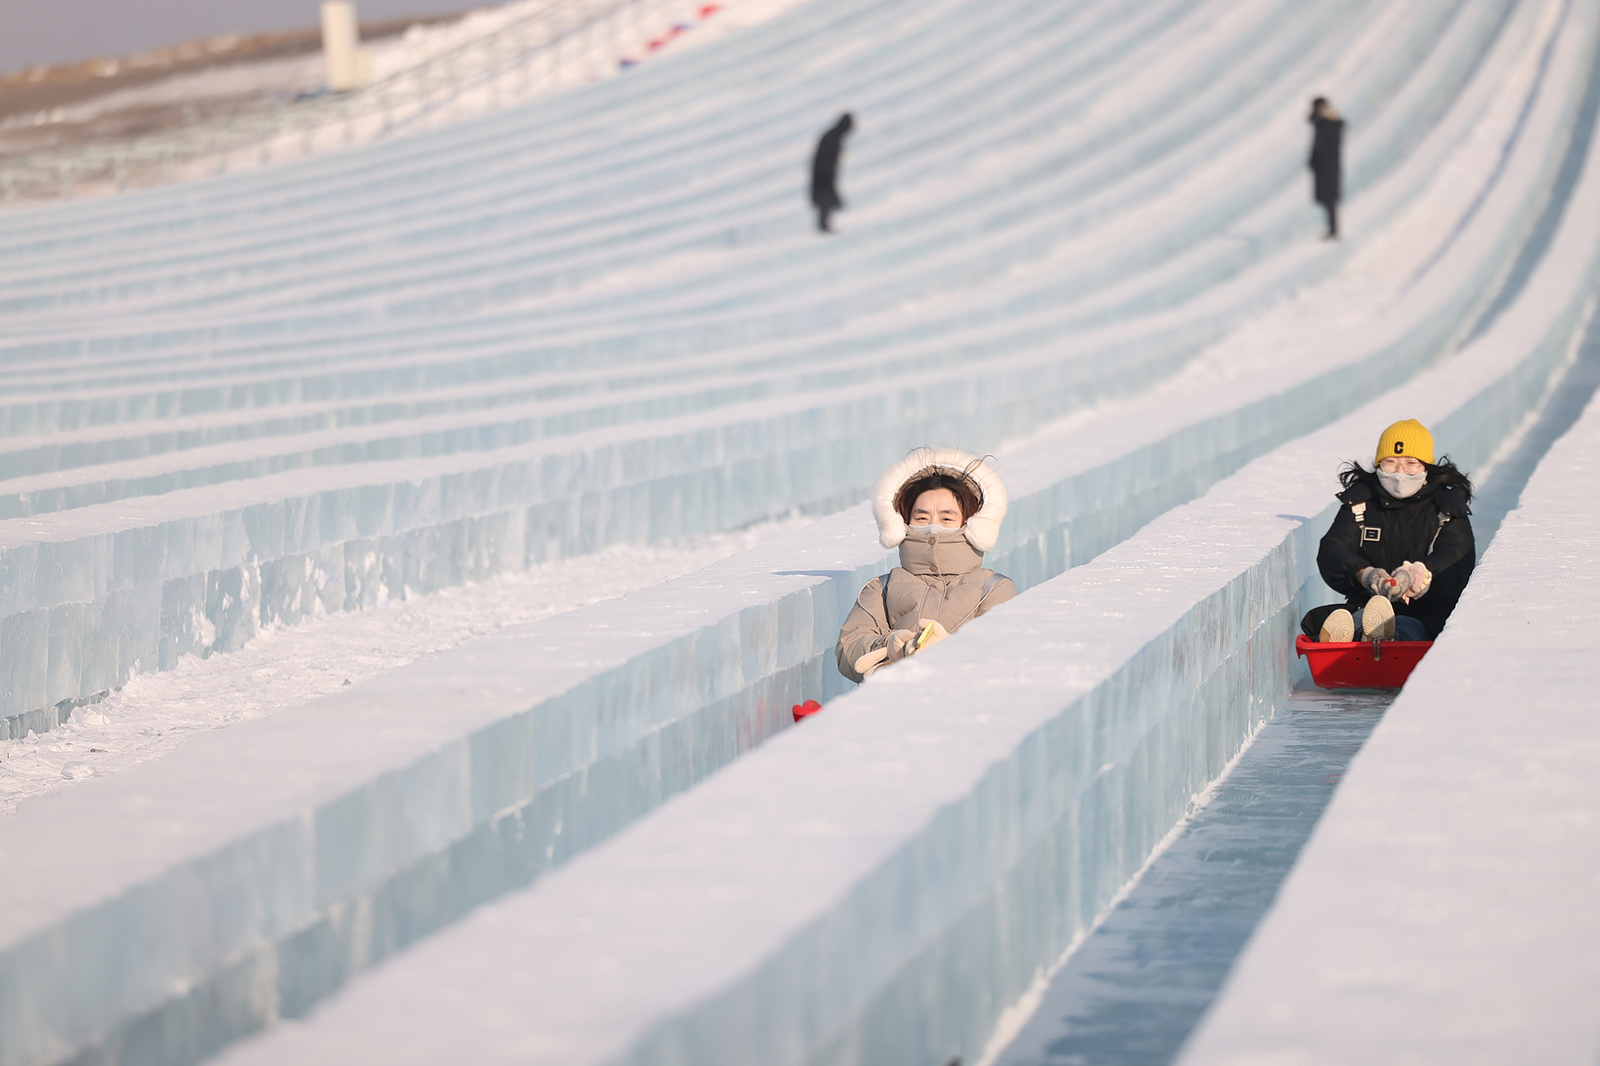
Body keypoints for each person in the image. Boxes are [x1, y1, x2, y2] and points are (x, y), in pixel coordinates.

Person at [836, 447, 1017, 682]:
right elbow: (849, 645)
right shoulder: (880, 589)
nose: (933, 526)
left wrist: (952, 650)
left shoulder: (993, 588)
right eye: (921, 517)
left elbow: (1006, 650)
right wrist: (889, 645)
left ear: (970, 524)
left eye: (946, 518)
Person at [1303, 419, 1475, 644]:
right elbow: (1335, 549)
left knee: (1405, 627)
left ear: (1426, 467)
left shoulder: (1446, 508)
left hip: (1426, 613)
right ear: (1378, 465)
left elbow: (1456, 556)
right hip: (1368, 604)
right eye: (1390, 462)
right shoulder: (1360, 504)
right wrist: (1365, 575)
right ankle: (1349, 636)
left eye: (1411, 463)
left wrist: (1418, 576)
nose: (1400, 472)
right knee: (1359, 618)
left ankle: (1386, 637)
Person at [811, 112, 854, 234]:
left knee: (827, 200)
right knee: (826, 200)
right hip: (824, 175)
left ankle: (824, 225)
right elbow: (827, 158)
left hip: (825, 175)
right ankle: (823, 227)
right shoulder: (832, 138)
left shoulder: (832, 136)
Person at [1309, 96, 1344, 239]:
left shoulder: (1324, 125)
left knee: (1328, 200)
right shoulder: (1332, 124)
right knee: (1329, 201)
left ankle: (1333, 231)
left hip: (1325, 168)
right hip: (1330, 167)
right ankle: (1332, 229)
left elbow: (1320, 147)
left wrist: (1314, 161)